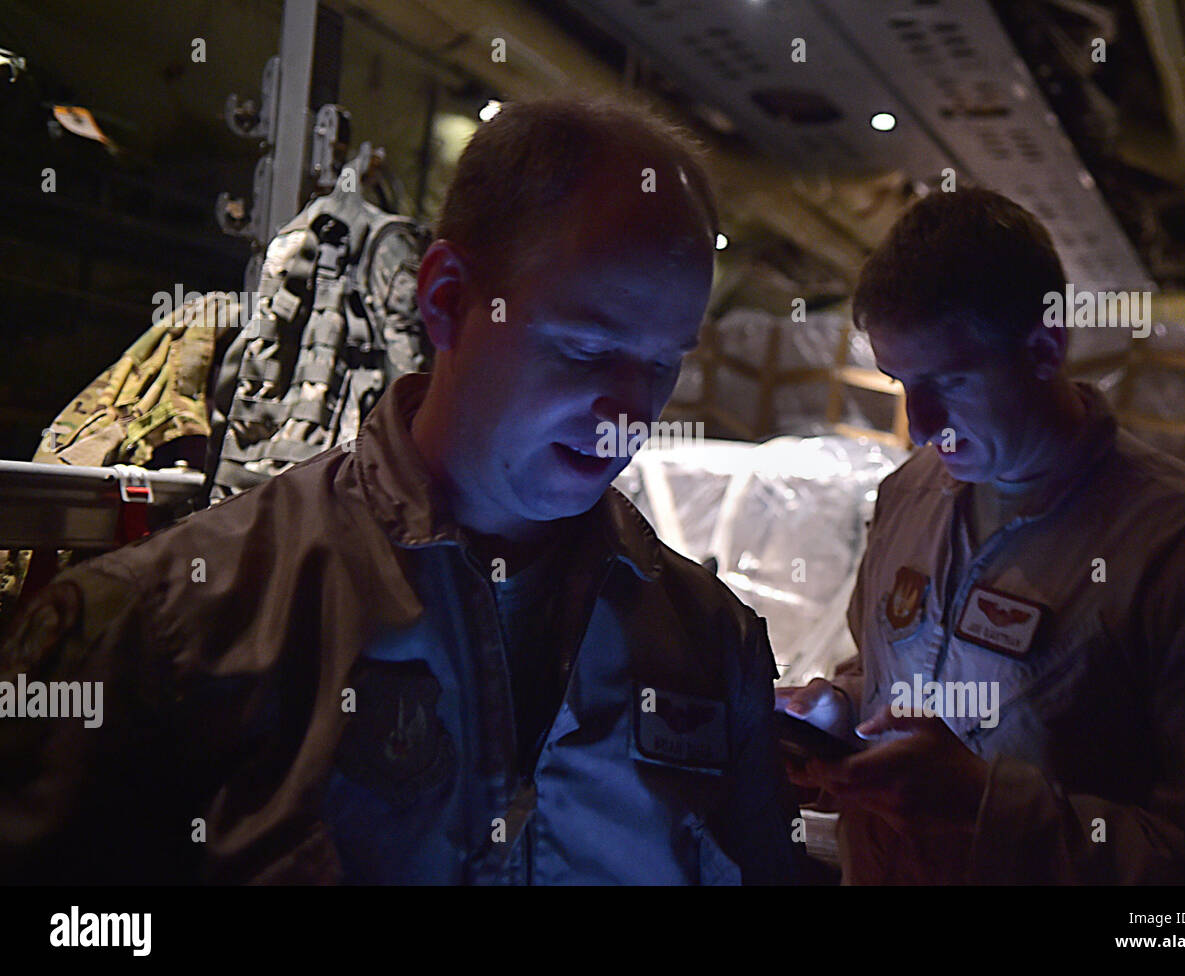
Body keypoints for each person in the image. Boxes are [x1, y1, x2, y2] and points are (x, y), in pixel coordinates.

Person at [0, 96, 807, 884]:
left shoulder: (708, 645)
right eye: (588, 349)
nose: (633, 411)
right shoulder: (182, 623)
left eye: (664, 361)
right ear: (447, 299)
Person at [777, 187, 1185, 883]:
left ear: (1045, 347)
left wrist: (985, 804)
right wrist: (838, 712)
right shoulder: (909, 494)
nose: (922, 421)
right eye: (900, 379)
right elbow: (885, 670)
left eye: (952, 381)